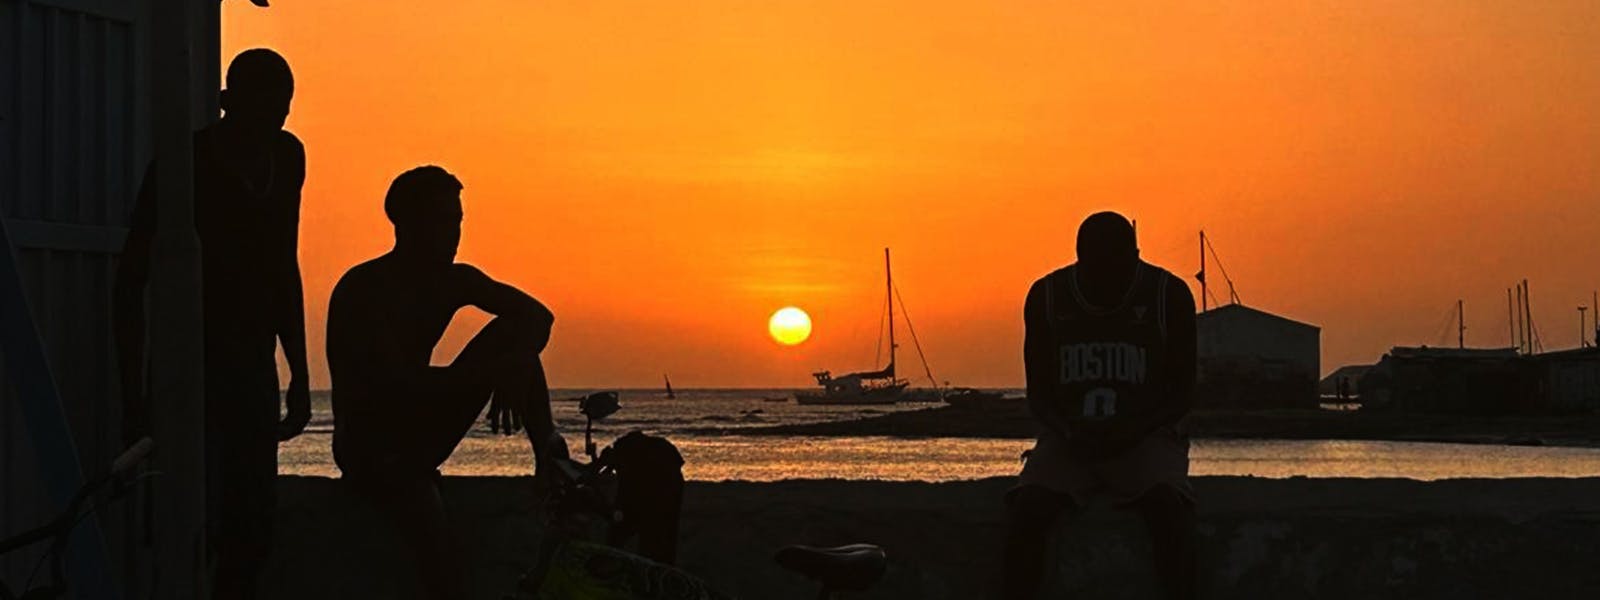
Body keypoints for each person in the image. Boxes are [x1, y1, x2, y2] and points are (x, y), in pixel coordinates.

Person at [114, 48, 309, 600]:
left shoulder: (288, 157)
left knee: (253, 523)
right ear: (227, 103)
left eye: (281, 112)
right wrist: (134, 397)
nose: (271, 125)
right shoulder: (184, 164)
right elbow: (130, 283)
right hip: (188, 364)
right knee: (185, 516)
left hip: (252, 362)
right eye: (260, 111)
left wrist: (298, 370)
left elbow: (282, 261)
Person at [327, 165, 567, 598]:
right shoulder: (364, 288)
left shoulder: (456, 281)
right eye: (441, 221)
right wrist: (493, 374)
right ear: (405, 223)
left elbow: (538, 316)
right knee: (434, 545)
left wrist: (513, 367)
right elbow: (393, 384)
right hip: (372, 444)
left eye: (456, 221)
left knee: (516, 343)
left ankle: (548, 452)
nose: (453, 233)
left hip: (421, 426)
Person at [1002, 211, 1198, 600]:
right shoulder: (1046, 297)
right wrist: (1069, 431)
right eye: (1097, 266)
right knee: (1027, 510)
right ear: (1079, 258)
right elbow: (1038, 393)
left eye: (1117, 265)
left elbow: (1182, 392)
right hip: (1069, 439)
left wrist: (1134, 431)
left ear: (1135, 256)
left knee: (1168, 511)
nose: (1107, 278)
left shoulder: (1168, 296)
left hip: (1146, 438)